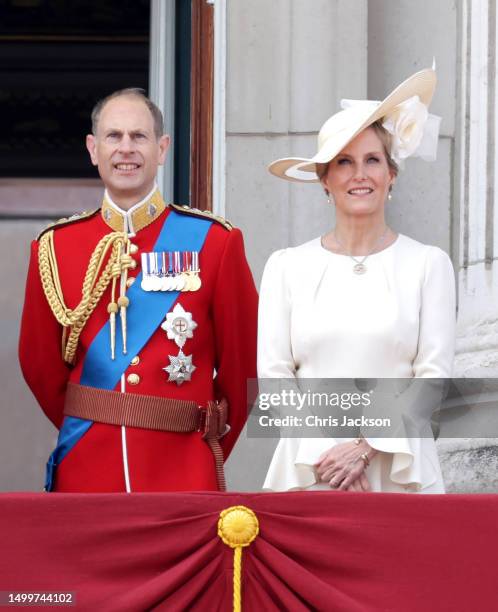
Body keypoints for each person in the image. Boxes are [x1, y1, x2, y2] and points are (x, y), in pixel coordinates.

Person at [19, 88, 258, 493]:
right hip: (87, 469)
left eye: (139, 137)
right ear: (93, 149)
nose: (126, 149)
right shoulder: (55, 247)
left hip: (182, 471)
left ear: (162, 149)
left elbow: (243, 368)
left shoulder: (215, 242)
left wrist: (204, 443)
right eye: (114, 137)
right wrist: (94, 418)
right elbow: (39, 364)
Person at [258, 68, 455, 493]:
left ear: (391, 175)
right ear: (325, 180)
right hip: (310, 470)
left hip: (401, 470)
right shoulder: (286, 266)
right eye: (343, 162)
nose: (359, 174)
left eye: (372, 160)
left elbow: (432, 378)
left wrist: (366, 449)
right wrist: (330, 457)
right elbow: (275, 378)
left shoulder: (428, 264)